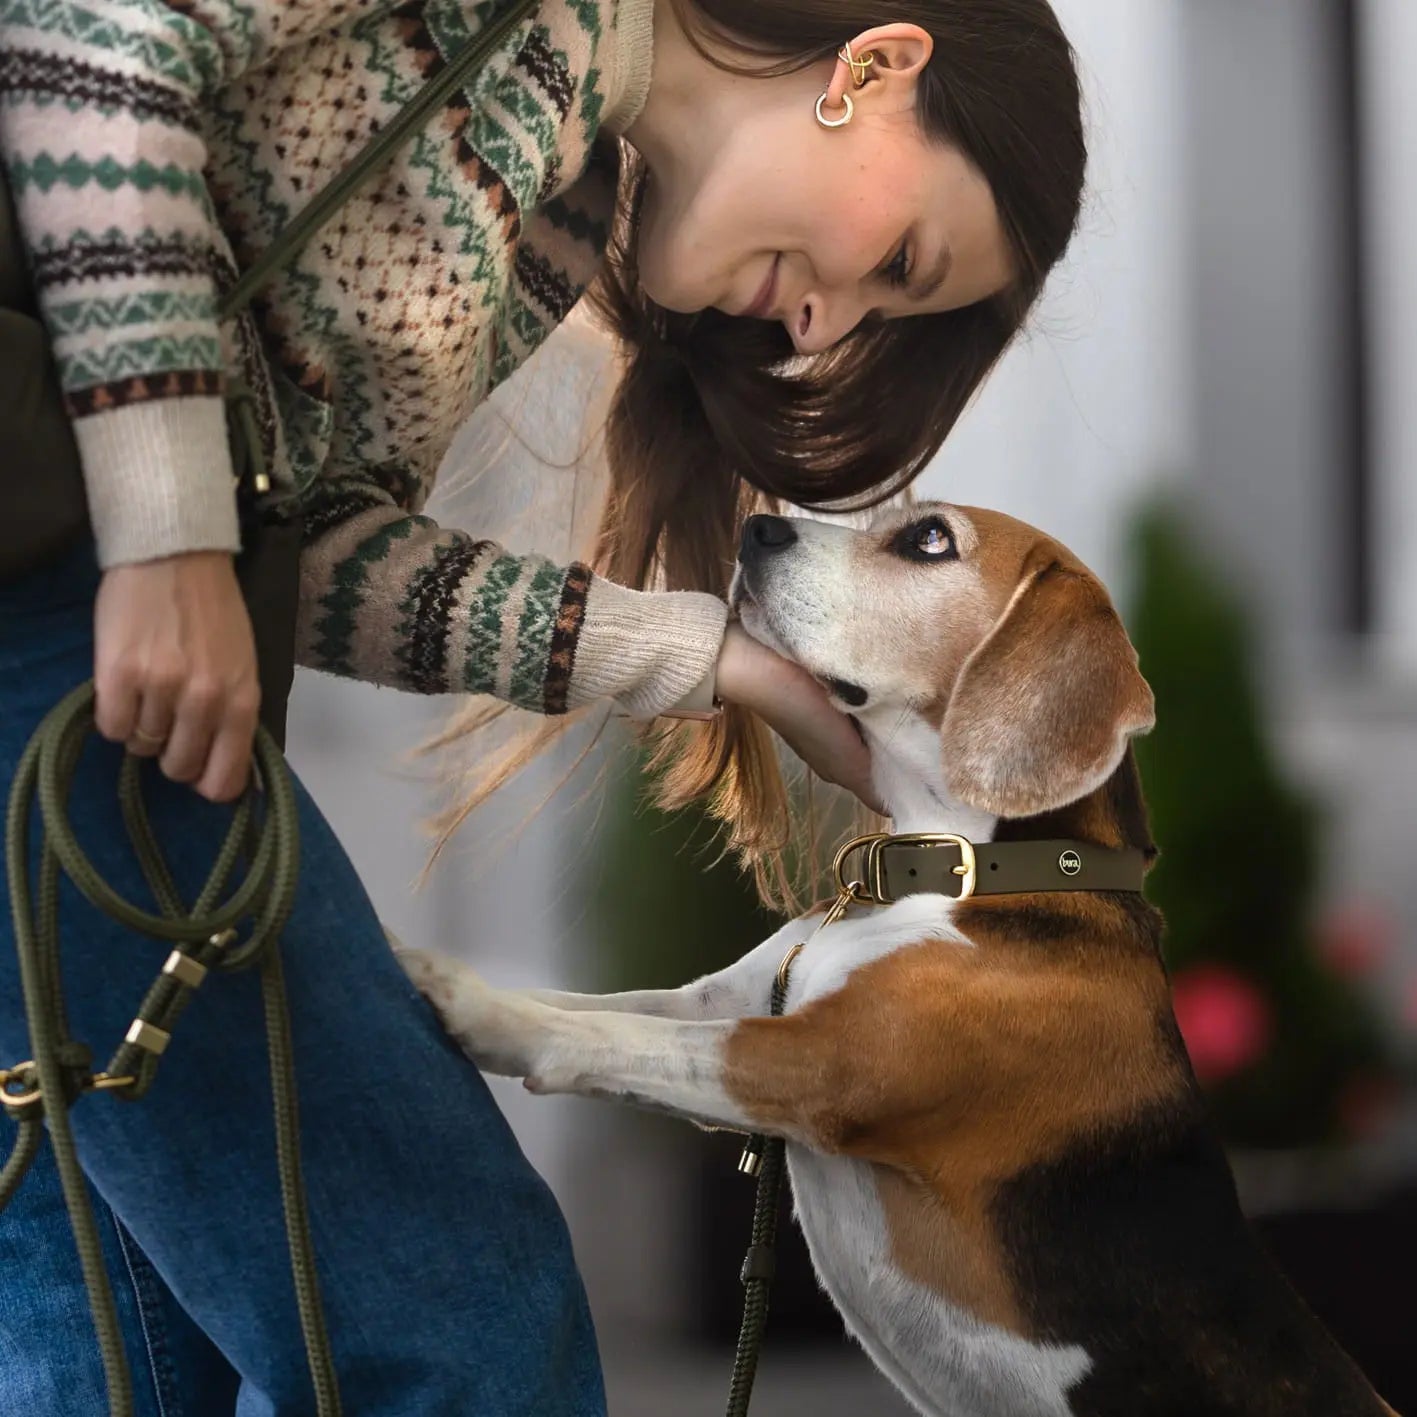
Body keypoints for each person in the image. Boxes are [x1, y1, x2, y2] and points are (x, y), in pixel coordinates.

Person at [0, 0, 1085, 1410]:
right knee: (457, 1316)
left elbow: (303, 536)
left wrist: (715, 662)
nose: (825, 326)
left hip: (76, 631)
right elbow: (91, 38)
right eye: (897, 264)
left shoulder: (562, 212)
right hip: (61, 615)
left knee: (136, 1355)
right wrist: (167, 535)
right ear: (875, 69)